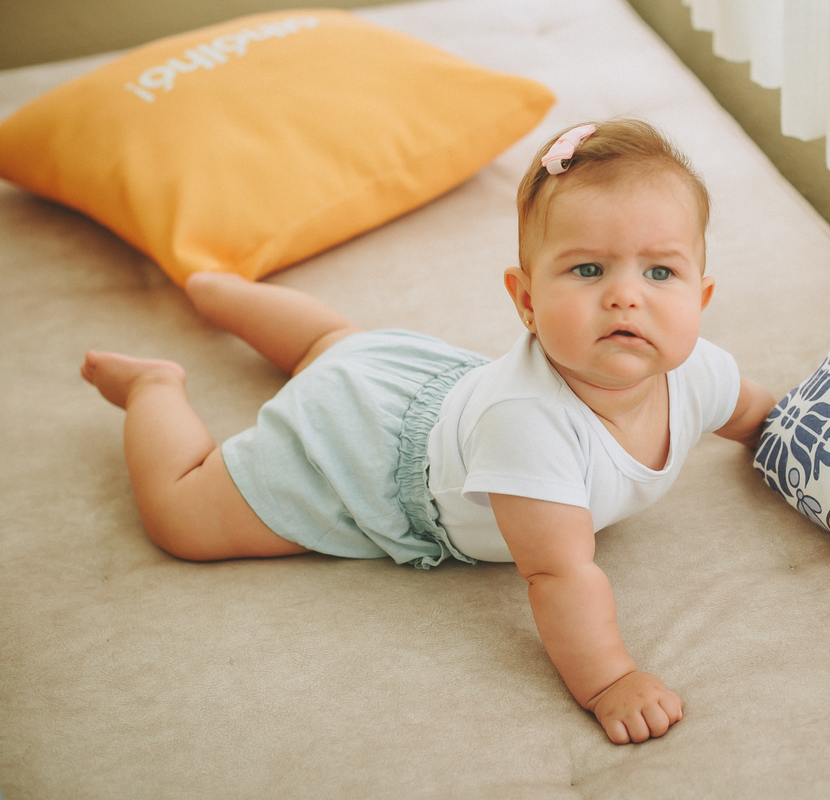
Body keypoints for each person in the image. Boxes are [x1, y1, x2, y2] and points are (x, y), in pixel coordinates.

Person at [81, 119, 777, 745]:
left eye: (660, 271)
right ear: (527, 301)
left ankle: (222, 292)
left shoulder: (701, 371)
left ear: (700, 298)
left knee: (333, 346)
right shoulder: (527, 426)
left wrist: (800, 449)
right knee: (182, 515)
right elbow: (559, 572)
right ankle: (154, 388)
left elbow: (757, 417)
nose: (627, 295)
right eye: (587, 269)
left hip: (415, 383)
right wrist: (610, 680)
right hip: (368, 451)